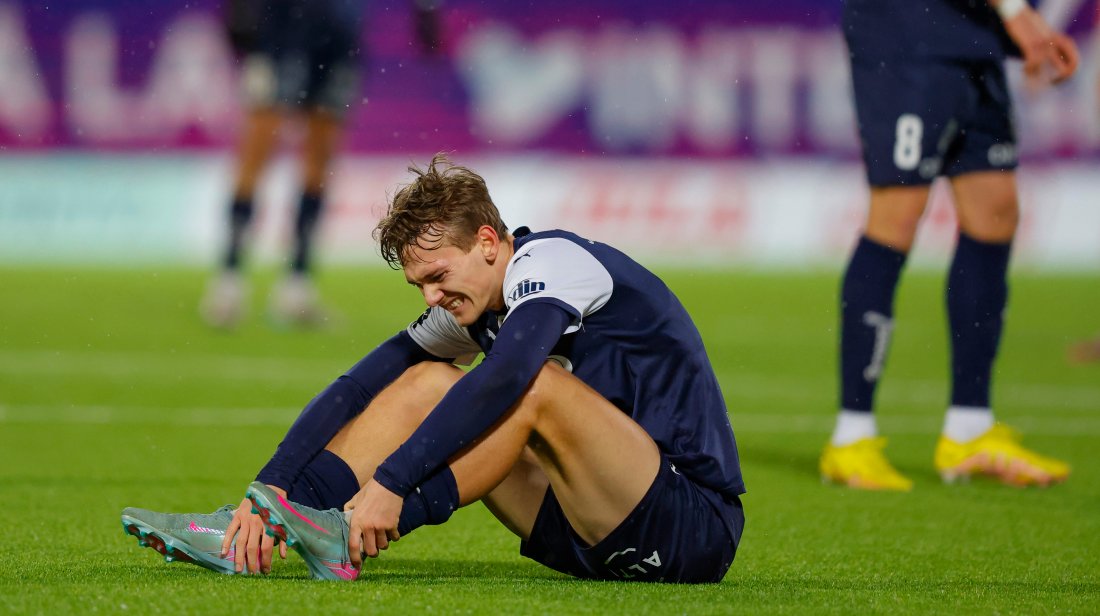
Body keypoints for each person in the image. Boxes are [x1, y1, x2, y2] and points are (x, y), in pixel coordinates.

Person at [123, 154, 746, 583]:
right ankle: (253, 535)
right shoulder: (476, 304)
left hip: (691, 526)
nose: (430, 297)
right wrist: (269, 489)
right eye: (418, 283)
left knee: (529, 386)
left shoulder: (553, 261)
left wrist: (391, 485)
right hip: (587, 527)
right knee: (421, 381)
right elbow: (360, 387)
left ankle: (348, 535)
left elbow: (507, 379)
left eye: (438, 277)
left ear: (487, 241)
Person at [820, 0, 1079, 491]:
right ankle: (851, 437)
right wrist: (1016, 12)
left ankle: (969, 428)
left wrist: (1027, 20)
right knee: (896, 216)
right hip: (906, 34)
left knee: (996, 211)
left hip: (973, 33)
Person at [200, 0, 441, 328]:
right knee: (256, 153)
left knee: (318, 163)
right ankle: (229, 279)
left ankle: (296, 284)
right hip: (277, 26)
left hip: (336, 32)